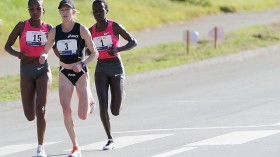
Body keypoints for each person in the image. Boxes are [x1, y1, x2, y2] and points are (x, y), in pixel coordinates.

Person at [39, 0, 98, 156]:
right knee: (66, 111)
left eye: (67, 10)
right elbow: (45, 50)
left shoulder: (82, 30)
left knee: (82, 116)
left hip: (80, 73)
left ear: (74, 12)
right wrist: (43, 56)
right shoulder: (54, 31)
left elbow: (94, 53)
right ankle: (75, 146)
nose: (64, 12)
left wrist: (83, 63)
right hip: (65, 72)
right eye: (62, 10)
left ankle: (90, 99)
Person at [4, 0, 52, 156]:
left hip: (43, 70)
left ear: (43, 10)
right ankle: (34, 106)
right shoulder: (21, 26)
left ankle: (40, 147)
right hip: (26, 70)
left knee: (41, 108)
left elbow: (58, 48)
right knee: (30, 115)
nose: (35, 11)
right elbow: (7, 46)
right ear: (28, 10)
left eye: (38, 8)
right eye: (31, 9)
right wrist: (18, 54)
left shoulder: (49, 28)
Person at [90, 0, 137, 150]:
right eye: (95, 11)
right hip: (101, 68)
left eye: (101, 10)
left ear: (106, 11)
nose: (98, 14)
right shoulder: (91, 31)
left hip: (116, 67)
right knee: (103, 106)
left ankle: (121, 94)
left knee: (115, 111)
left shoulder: (114, 26)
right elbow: (85, 50)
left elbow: (133, 42)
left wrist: (118, 49)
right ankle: (110, 139)